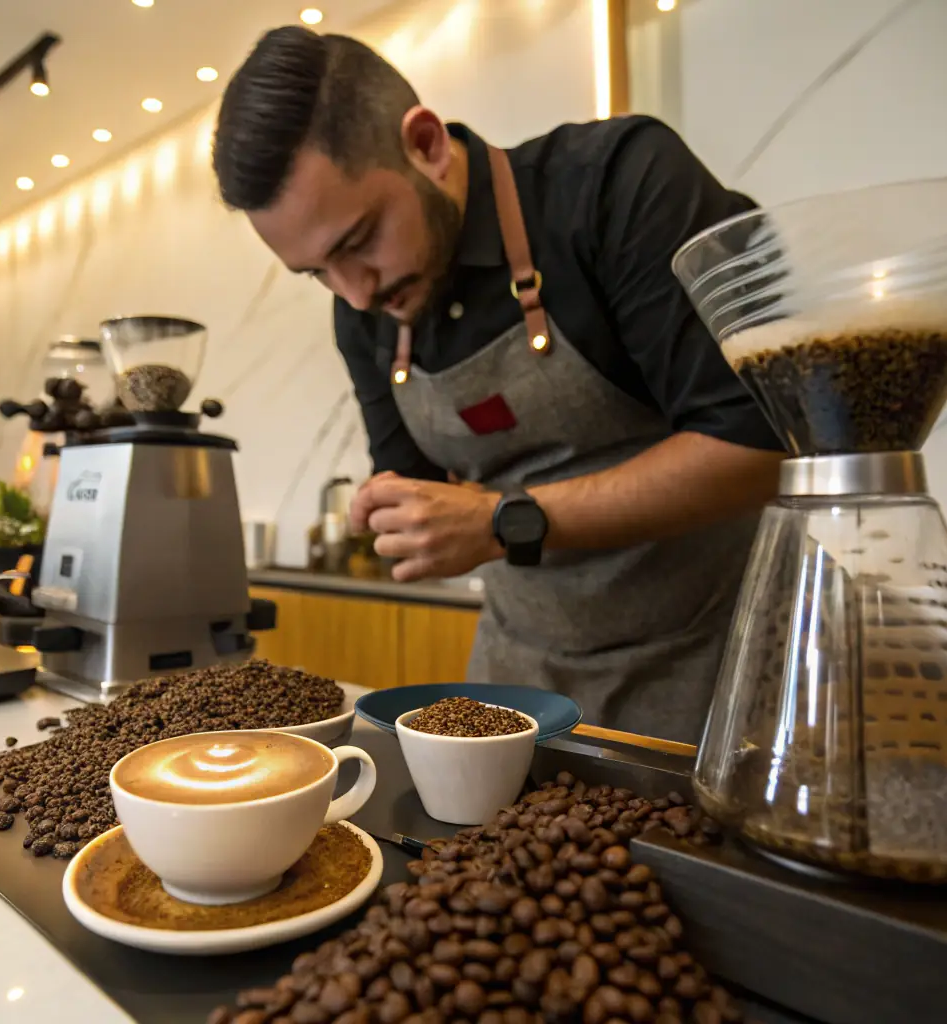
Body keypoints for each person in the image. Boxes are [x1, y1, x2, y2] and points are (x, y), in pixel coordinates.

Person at [211, 27, 784, 744]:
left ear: (424, 143)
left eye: (356, 242)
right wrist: (393, 515)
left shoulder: (616, 185)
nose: (353, 294)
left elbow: (761, 443)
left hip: (716, 663)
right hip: (516, 678)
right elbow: (413, 482)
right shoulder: (363, 310)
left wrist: (500, 520)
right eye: (316, 273)